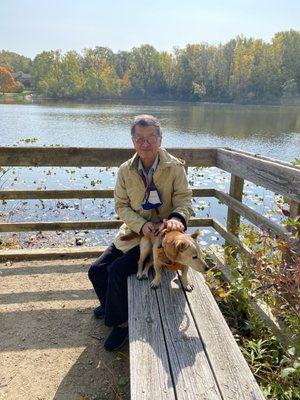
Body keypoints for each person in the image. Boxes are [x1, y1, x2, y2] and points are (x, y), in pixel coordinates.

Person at [88, 115, 193, 351]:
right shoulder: (126, 170)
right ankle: (109, 305)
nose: (145, 144)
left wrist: (177, 219)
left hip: (160, 236)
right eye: (139, 139)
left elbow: (185, 200)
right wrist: (140, 225)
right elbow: (121, 206)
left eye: (150, 138)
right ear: (133, 141)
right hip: (135, 232)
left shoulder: (174, 167)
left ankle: (121, 325)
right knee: (96, 271)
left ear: (160, 138)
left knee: (116, 271)